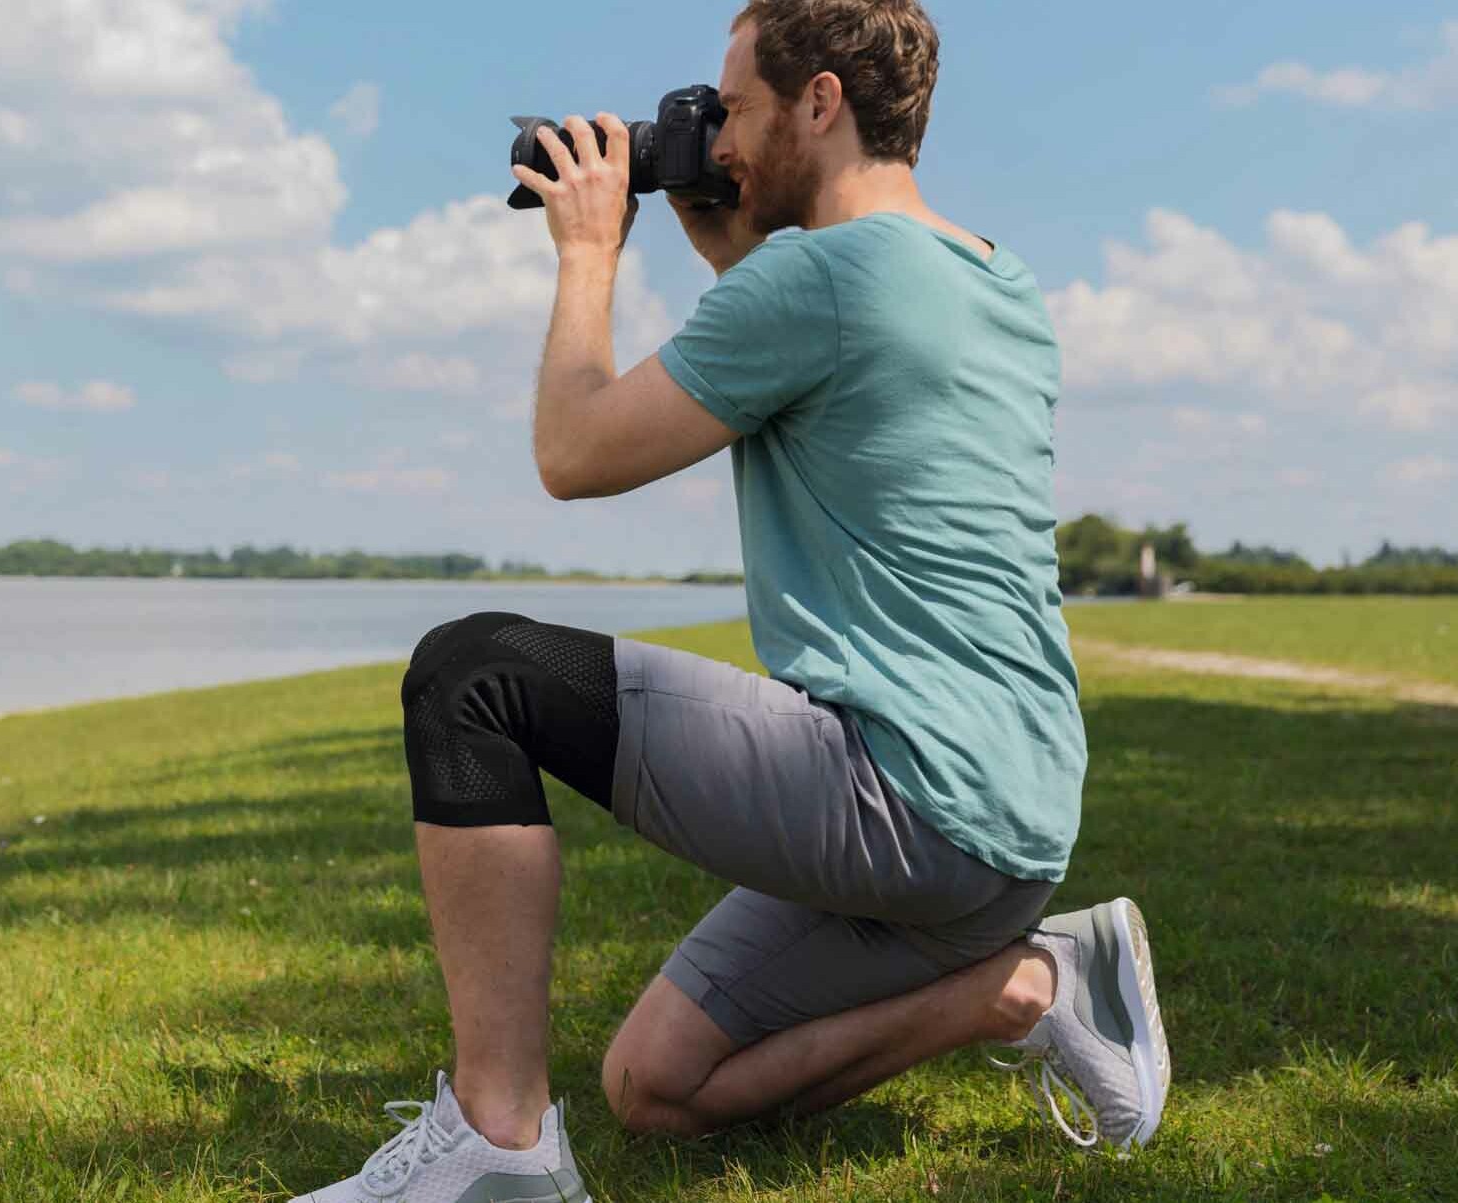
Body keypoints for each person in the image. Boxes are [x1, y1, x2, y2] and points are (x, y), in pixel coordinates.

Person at [289, 2, 1168, 1199]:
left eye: (739, 111)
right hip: (1006, 825)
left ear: (822, 104)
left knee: (476, 675)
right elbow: (841, 360)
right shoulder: (987, 276)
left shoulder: (820, 279)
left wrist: (592, 250)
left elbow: (575, 451)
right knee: (656, 1087)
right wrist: (726, 249)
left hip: (900, 791)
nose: (725, 144)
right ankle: (1024, 986)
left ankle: (496, 1150)